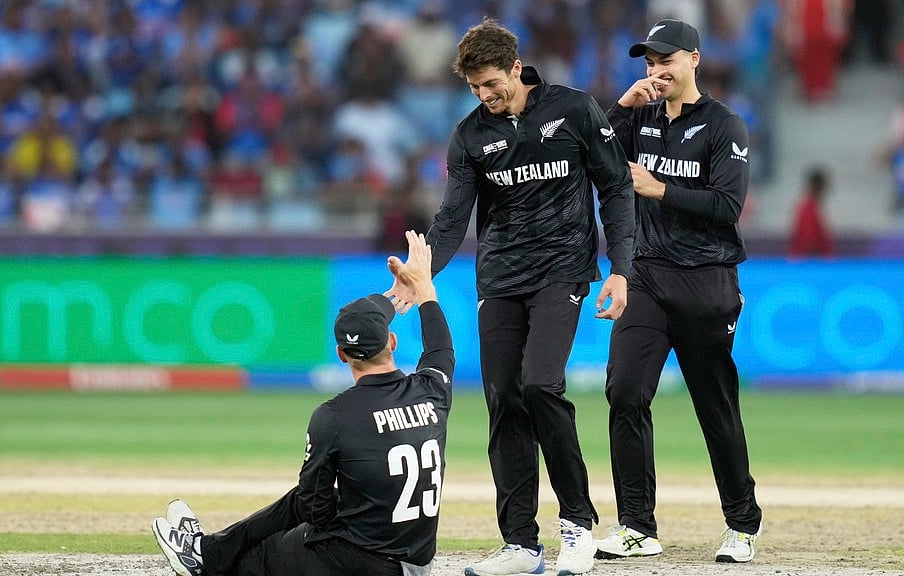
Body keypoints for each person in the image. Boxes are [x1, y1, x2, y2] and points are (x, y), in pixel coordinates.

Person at [389, 18, 635, 576]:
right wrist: (420, 273)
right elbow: (453, 217)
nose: (485, 96)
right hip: (498, 278)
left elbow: (617, 187)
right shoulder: (470, 134)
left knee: (539, 385)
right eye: (475, 88)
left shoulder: (573, 110)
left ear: (517, 68)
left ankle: (578, 526)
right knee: (503, 397)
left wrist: (621, 270)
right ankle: (521, 544)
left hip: (562, 272)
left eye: (492, 84)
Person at [152, 230, 454, 576]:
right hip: (418, 562)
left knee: (267, 549)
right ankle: (207, 549)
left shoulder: (334, 416)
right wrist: (423, 287)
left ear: (342, 355)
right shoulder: (432, 390)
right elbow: (440, 348)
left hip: (362, 565)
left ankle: (204, 557)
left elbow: (313, 507)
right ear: (394, 342)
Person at [595, 18, 763, 564]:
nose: (655, 71)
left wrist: (658, 188)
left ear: (694, 59)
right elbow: (586, 152)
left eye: (665, 60)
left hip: (705, 280)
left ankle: (741, 524)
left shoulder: (724, 126)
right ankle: (637, 527)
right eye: (648, 62)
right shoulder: (638, 117)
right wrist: (621, 107)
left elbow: (727, 208)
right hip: (644, 274)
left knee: (714, 406)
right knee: (624, 392)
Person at [788, 166, 835, 257]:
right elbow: (809, 243)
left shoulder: (812, 208)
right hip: (810, 265)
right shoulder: (808, 209)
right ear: (818, 187)